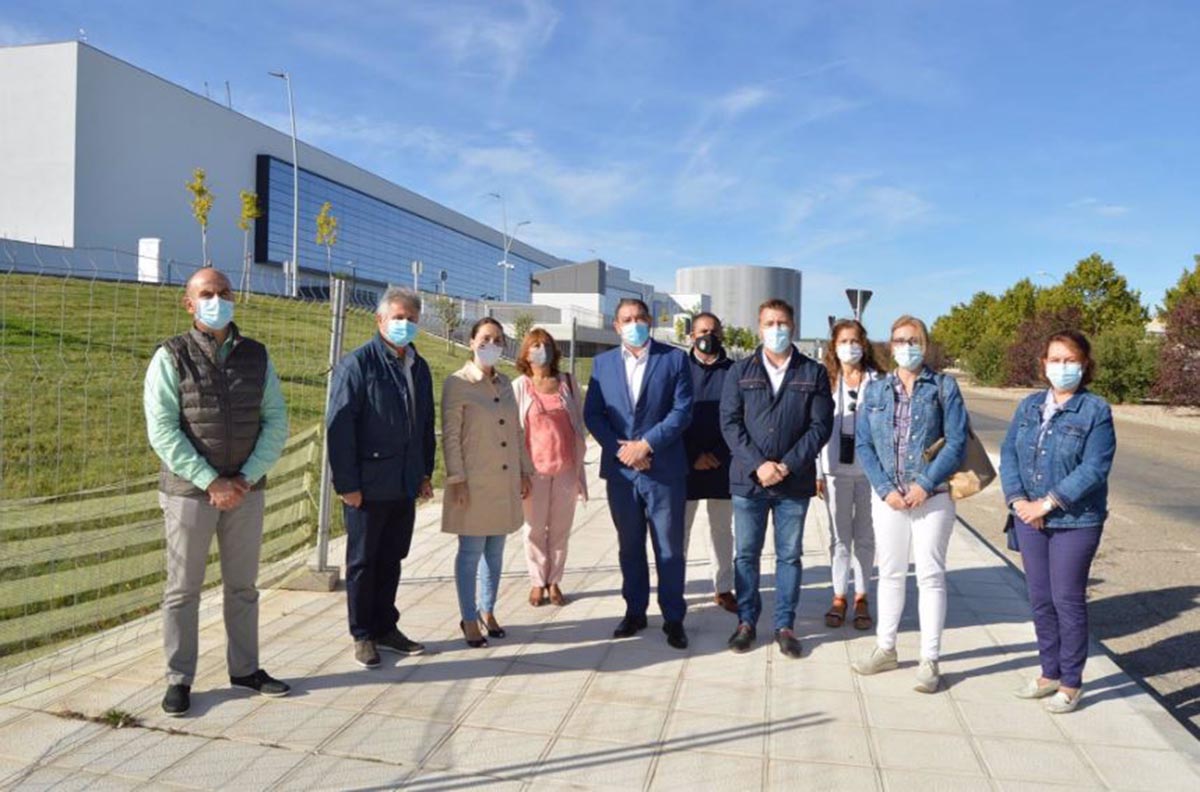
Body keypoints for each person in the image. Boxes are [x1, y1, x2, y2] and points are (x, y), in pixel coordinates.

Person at [143, 267, 289, 717]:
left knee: (243, 587)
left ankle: (245, 669)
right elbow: (163, 431)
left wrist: (245, 477)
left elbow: (276, 421)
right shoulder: (170, 357)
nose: (217, 298)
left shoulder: (257, 356)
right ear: (189, 303)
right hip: (190, 493)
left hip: (246, 490)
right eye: (207, 293)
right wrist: (212, 481)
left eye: (224, 292)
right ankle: (179, 678)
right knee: (183, 590)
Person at [1000, 330, 1116, 713]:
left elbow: (1094, 468)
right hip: (1027, 517)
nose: (1061, 367)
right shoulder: (1029, 405)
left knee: (1067, 600)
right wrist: (1019, 502)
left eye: (1070, 360)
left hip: (1074, 520)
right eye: (1055, 359)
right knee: (1040, 599)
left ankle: (1071, 682)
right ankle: (1049, 672)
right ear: (1043, 364)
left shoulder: (1095, 411)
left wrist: (1046, 505)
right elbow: (1009, 452)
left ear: (1084, 365)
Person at [851, 315, 968, 693]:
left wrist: (925, 483)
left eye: (914, 339)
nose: (907, 346)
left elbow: (956, 442)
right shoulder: (876, 391)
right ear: (890, 345)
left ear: (925, 343)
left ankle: (929, 659)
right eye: (900, 340)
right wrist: (885, 488)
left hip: (931, 499)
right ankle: (886, 647)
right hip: (889, 499)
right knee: (890, 573)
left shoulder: (944, 387)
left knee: (931, 575)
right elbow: (864, 445)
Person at [327, 287, 435, 669]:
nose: (405, 324)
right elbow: (339, 429)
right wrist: (347, 484)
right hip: (367, 485)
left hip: (403, 482)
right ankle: (362, 633)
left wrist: (425, 472)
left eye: (411, 319)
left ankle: (387, 627)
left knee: (392, 558)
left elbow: (425, 423)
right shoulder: (357, 365)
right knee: (363, 562)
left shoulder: (418, 366)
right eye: (398, 317)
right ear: (380, 320)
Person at [719, 299, 833, 657]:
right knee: (746, 556)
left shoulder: (812, 373)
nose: (777, 329)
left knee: (788, 557)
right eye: (770, 322)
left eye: (782, 322)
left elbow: (820, 426)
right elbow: (730, 422)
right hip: (749, 482)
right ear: (759, 326)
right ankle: (746, 622)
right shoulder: (740, 371)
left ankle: (785, 625)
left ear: (793, 327)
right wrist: (759, 464)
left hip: (793, 483)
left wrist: (786, 465)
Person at [584, 298, 694, 649]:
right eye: (626, 319)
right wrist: (624, 451)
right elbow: (594, 415)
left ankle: (674, 618)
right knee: (629, 547)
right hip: (622, 473)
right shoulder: (601, 365)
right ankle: (635, 610)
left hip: (663, 471)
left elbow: (681, 411)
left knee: (669, 549)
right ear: (615, 326)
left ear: (650, 322)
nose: (634, 324)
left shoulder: (674, 359)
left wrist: (646, 445)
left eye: (639, 318)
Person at [442, 318, 533, 648]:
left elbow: (517, 431)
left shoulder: (507, 383)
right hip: (474, 482)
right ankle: (468, 618)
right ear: (471, 341)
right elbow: (451, 437)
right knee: (471, 552)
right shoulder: (457, 383)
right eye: (485, 338)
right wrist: (457, 478)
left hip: (505, 480)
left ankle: (488, 610)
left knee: (495, 552)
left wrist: (525, 471)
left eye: (497, 339)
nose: (491, 344)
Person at [512, 328, 588, 607]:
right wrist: (519, 471)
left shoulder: (567, 382)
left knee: (560, 528)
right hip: (534, 471)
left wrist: (580, 471)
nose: (540, 349)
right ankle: (536, 581)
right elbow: (513, 430)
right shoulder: (520, 385)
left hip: (565, 468)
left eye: (545, 344)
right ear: (525, 353)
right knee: (533, 528)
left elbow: (579, 423)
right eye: (534, 345)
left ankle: (554, 580)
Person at [817, 319, 882, 631]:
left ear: (864, 344)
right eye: (843, 341)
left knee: (865, 537)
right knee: (839, 538)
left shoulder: (879, 382)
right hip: (833, 470)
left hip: (869, 472)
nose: (849, 347)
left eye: (855, 340)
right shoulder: (825, 380)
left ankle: (862, 596)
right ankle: (839, 595)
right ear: (834, 346)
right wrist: (816, 471)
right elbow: (814, 429)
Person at [682, 312, 737, 613]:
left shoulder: (734, 371)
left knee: (721, 531)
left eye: (714, 330)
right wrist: (692, 455)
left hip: (721, 464)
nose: (708, 335)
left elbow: (737, 417)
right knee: (680, 531)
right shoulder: (678, 368)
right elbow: (672, 415)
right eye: (703, 330)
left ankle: (724, 587)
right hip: (684, 464)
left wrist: (717, 453)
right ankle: (674, 587)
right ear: (692, 334)